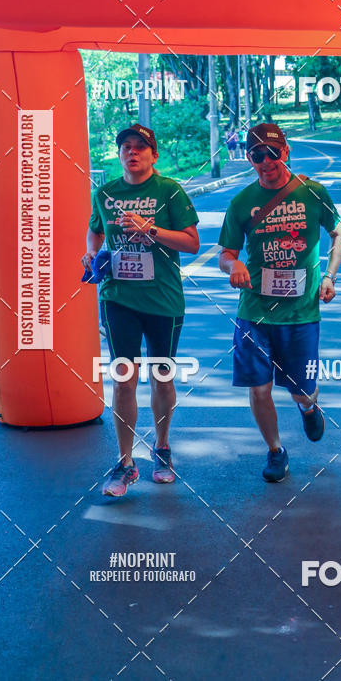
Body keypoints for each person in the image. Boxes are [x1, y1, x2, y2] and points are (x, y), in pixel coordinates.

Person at [218, 122, 341, 482]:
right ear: (249, 158)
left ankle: (308, 407)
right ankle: (275, 451)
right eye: (258, 155)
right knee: (259, 388)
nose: (267, 161)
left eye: (273, 153)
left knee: (301, 390)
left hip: (301, 313)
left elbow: (339, 232)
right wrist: (235, 263)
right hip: (254, 312)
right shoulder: (242, 202)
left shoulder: (312, 193)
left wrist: (330, 276)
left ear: (286, 152)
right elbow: (225, 253)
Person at [82, 123, 200, 497]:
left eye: (140, 147)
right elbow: (95, 230)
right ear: (119, 154)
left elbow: (192, 243)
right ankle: (125, 462)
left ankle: (162, 447)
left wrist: (151, 231)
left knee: (162, 377)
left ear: (154, 155)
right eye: (125, 147)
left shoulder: (169, 191)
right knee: (123, 378)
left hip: (163, 299)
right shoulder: (106, 193)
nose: (131, 152)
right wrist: (91, 252)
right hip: (118, 298)